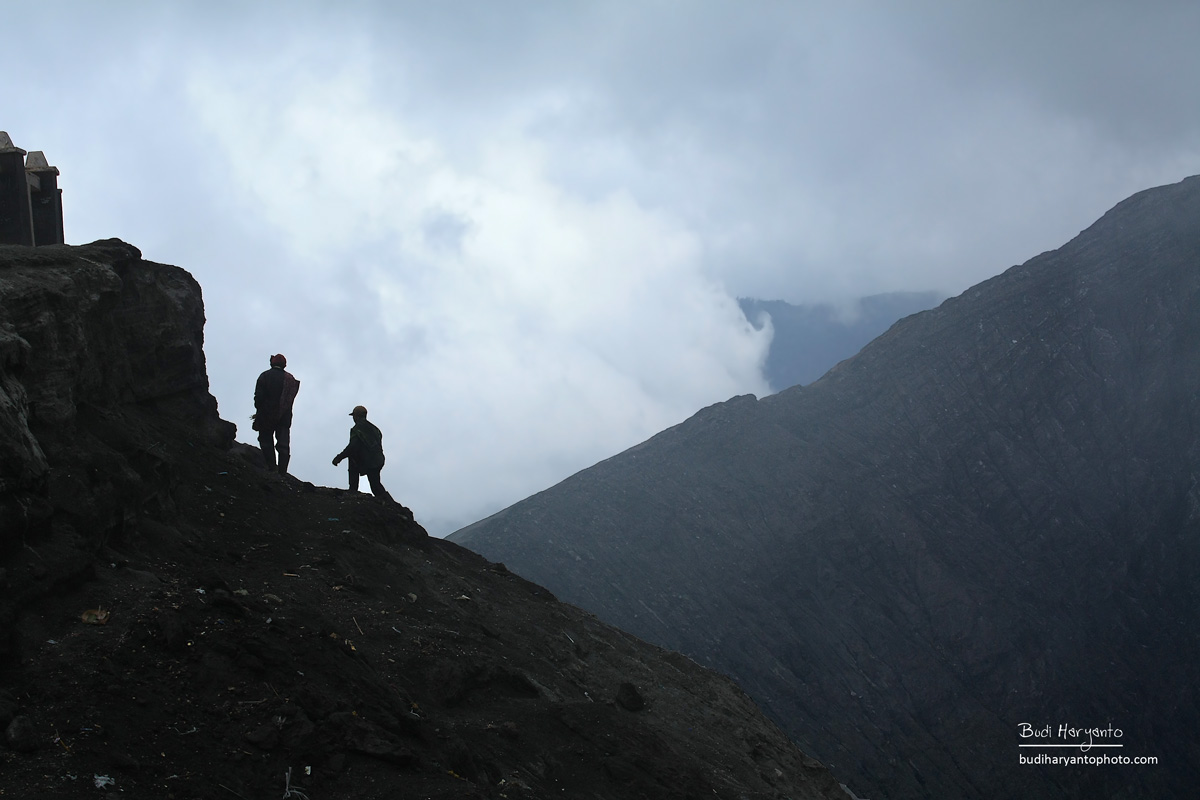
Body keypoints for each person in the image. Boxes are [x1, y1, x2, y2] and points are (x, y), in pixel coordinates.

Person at [333, 405, 394, 502]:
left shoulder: (356, 429)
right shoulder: (375, 429)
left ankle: (353, 490)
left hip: (369, 461)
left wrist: (339, 457)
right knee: (376, 485)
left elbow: (352, 447)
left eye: (354, 416)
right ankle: (390, 503)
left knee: (352, 457)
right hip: (378, 461)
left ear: (356, 416)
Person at [253, 354, 300, 475]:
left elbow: (258, 397)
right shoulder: (290, 379)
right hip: (284, 418)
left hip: (266, 415)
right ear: (284, 365)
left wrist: (259, 412)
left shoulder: (264, 376)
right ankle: (282, 472)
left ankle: (271, 467)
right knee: (283, 444)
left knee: (265, 440)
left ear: (272, 363)